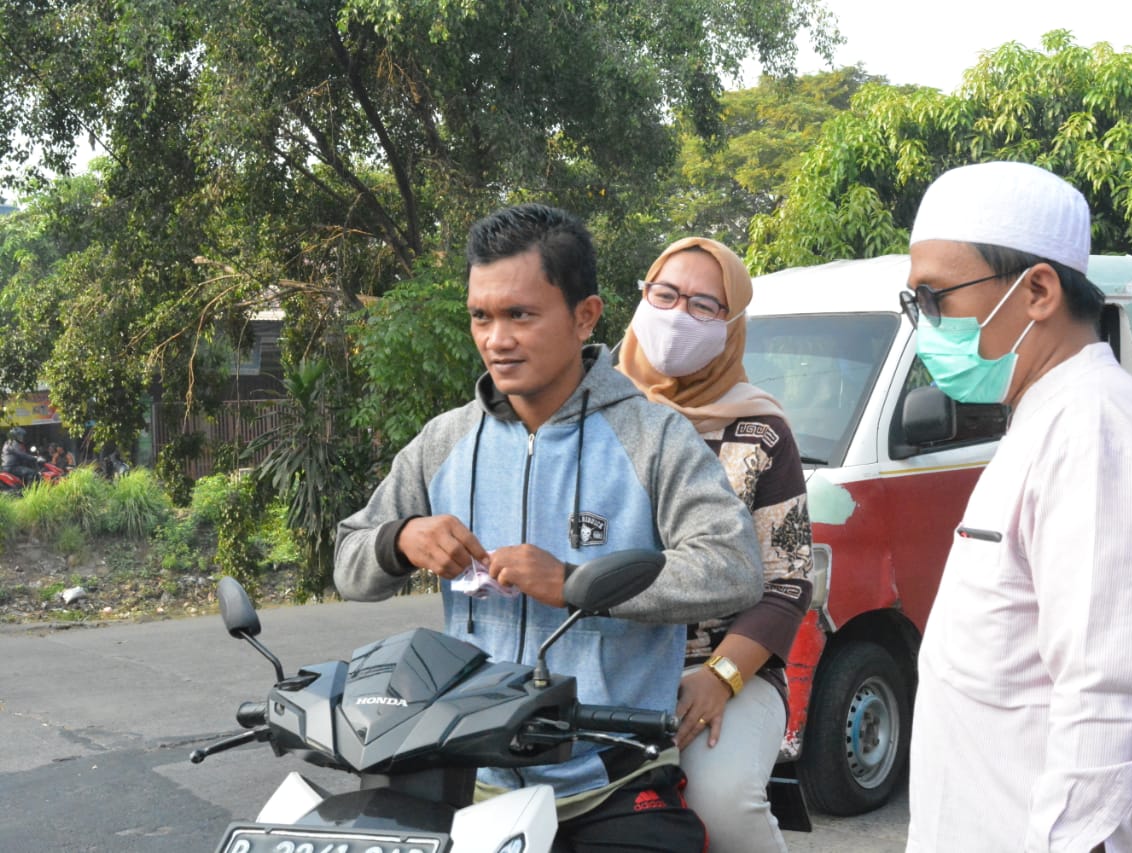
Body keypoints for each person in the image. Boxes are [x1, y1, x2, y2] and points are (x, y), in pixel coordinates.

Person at [333, 203, 764, 852]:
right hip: (476, 783)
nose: (496, 338)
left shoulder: (652, 437)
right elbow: (347, 560)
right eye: (482, 315)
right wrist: (401, 538)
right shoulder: (445, 441)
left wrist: (574, 581)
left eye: (520, 315)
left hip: (618, 778)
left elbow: (734, 566)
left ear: (585, 315)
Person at [900, 161, 1132, 852]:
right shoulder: (1048, 419)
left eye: (935, 297)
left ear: (1037, 289)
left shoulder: (1099, 434)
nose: (925, 322)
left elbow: (1111, 705)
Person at [616, 237, 812, 853]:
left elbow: (788, 581)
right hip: (604, 665)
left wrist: (719, 676)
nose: (679, 316)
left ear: (731, 326)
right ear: (643, 297)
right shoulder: (594, 416)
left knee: (720, 804)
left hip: (726, 667)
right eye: (666, 295)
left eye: (705, 306)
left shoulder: (761, 432)